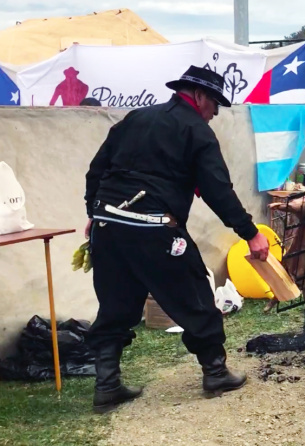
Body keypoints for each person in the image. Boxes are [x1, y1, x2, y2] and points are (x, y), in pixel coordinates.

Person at [83, 65, 270, 413]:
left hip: (108, 228)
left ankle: (107, 385)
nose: (215, 114)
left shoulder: (135, 118)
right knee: (196, 295)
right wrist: (251, 233)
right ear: (199, 96)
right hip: (154, 229)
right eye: (215, 105)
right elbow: (218, 190)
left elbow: (97, 169)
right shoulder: (196, 131)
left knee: (115, 305)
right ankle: (215, 372)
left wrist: (94, 213)